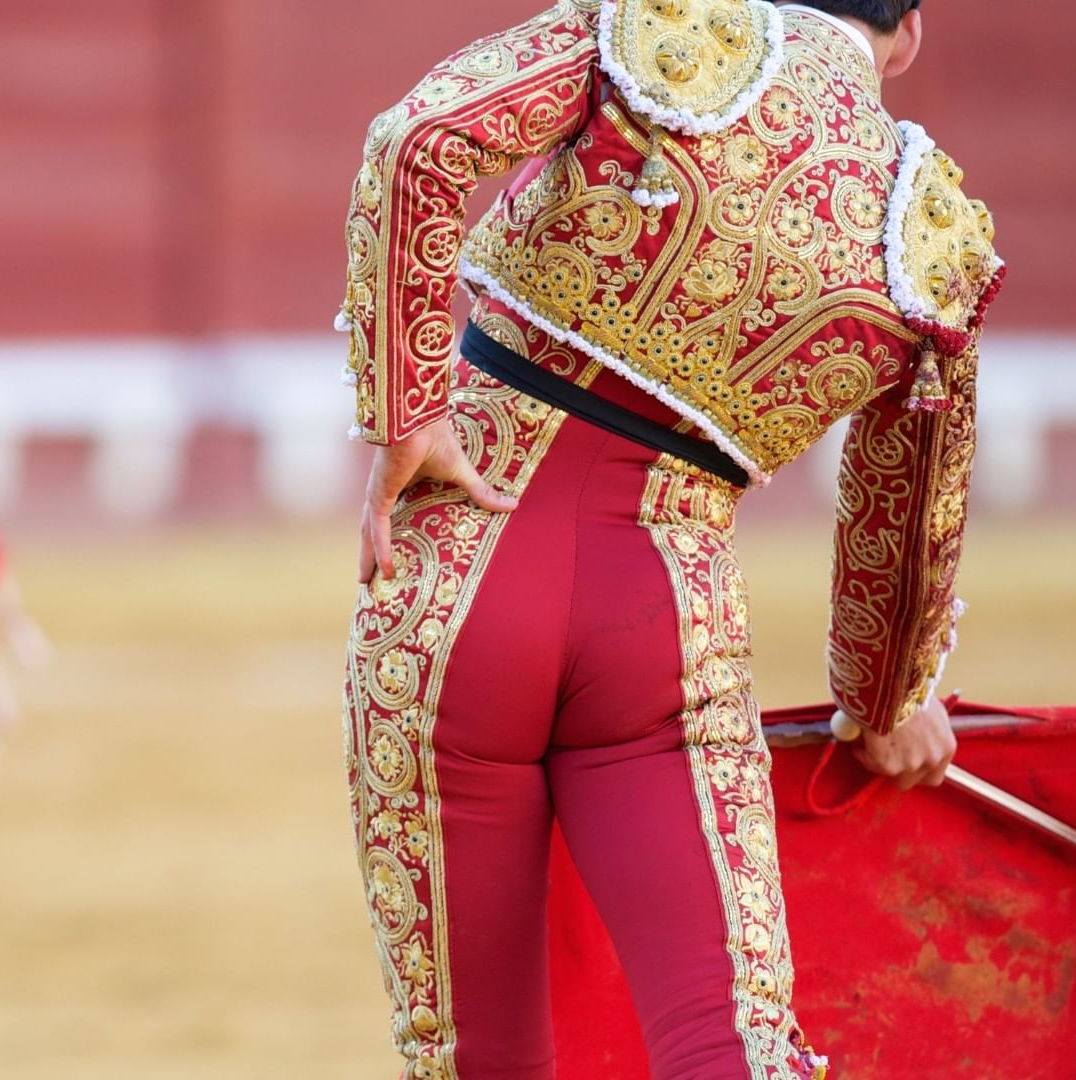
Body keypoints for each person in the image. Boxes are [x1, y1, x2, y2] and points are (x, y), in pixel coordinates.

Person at [336, 1, 1002, 1076]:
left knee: (475, 1055)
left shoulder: (664, 34)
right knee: (729, 1043)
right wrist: (884, 705)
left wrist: (406, 408)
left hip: (459, 585)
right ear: (910, 33)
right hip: (665, 628)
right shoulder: (932, 233)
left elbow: (416, 143)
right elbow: (905, 516)